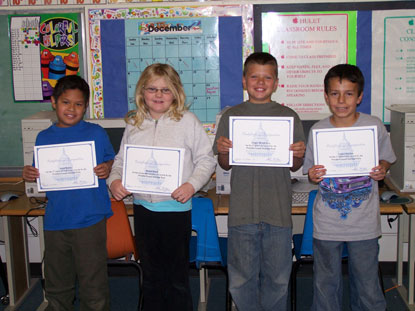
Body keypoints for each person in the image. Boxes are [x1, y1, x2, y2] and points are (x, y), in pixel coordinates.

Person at [108, 63, 216, 311]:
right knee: (152, 276)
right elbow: (121, 161)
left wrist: (191, 185)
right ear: (142, 92)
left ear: (176, 93)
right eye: (152, 89)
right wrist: (113, 181)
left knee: (176, 277)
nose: (158, 95)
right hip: (144, 210)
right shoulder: (135, 123)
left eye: (166, 90)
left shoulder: (187, 121)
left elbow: (206, 159)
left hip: (176, 212)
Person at [213, 52, 306, 311]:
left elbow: (294, 166)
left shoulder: (289, 116)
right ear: (244, 81)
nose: (260, 82)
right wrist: (223, 150)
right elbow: (224, 163)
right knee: (242, 280)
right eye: (254, 76)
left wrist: (297, 154)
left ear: (276, 82)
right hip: (242, 213)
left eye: (267, 77)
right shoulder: (232, 116)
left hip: (277, 213)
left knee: (277, 279)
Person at [303, 64, 396, 311]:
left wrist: (382, 168)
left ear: (360, 96)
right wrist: (313, 174)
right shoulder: (318, 130)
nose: (341, 100)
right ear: (326, 96)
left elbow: (387, 159)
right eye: (334, 93)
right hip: (327, 223)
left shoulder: (374, 126)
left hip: (364, 223)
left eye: (348, 94)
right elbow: (311, 172)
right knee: (325, 284)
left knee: (366, 284)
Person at [22, 75, 115, 311]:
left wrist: (107, 167)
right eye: (65, 102)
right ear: (54, 102)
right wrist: (30, 173)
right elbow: (41, 172)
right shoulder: (43, 137)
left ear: (85, 106)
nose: (71, 109)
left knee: (93, 286)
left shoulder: (96, 133)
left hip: (90, 220)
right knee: (57, 285)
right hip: (56, 221)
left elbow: (111, 161)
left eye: (78, 104)